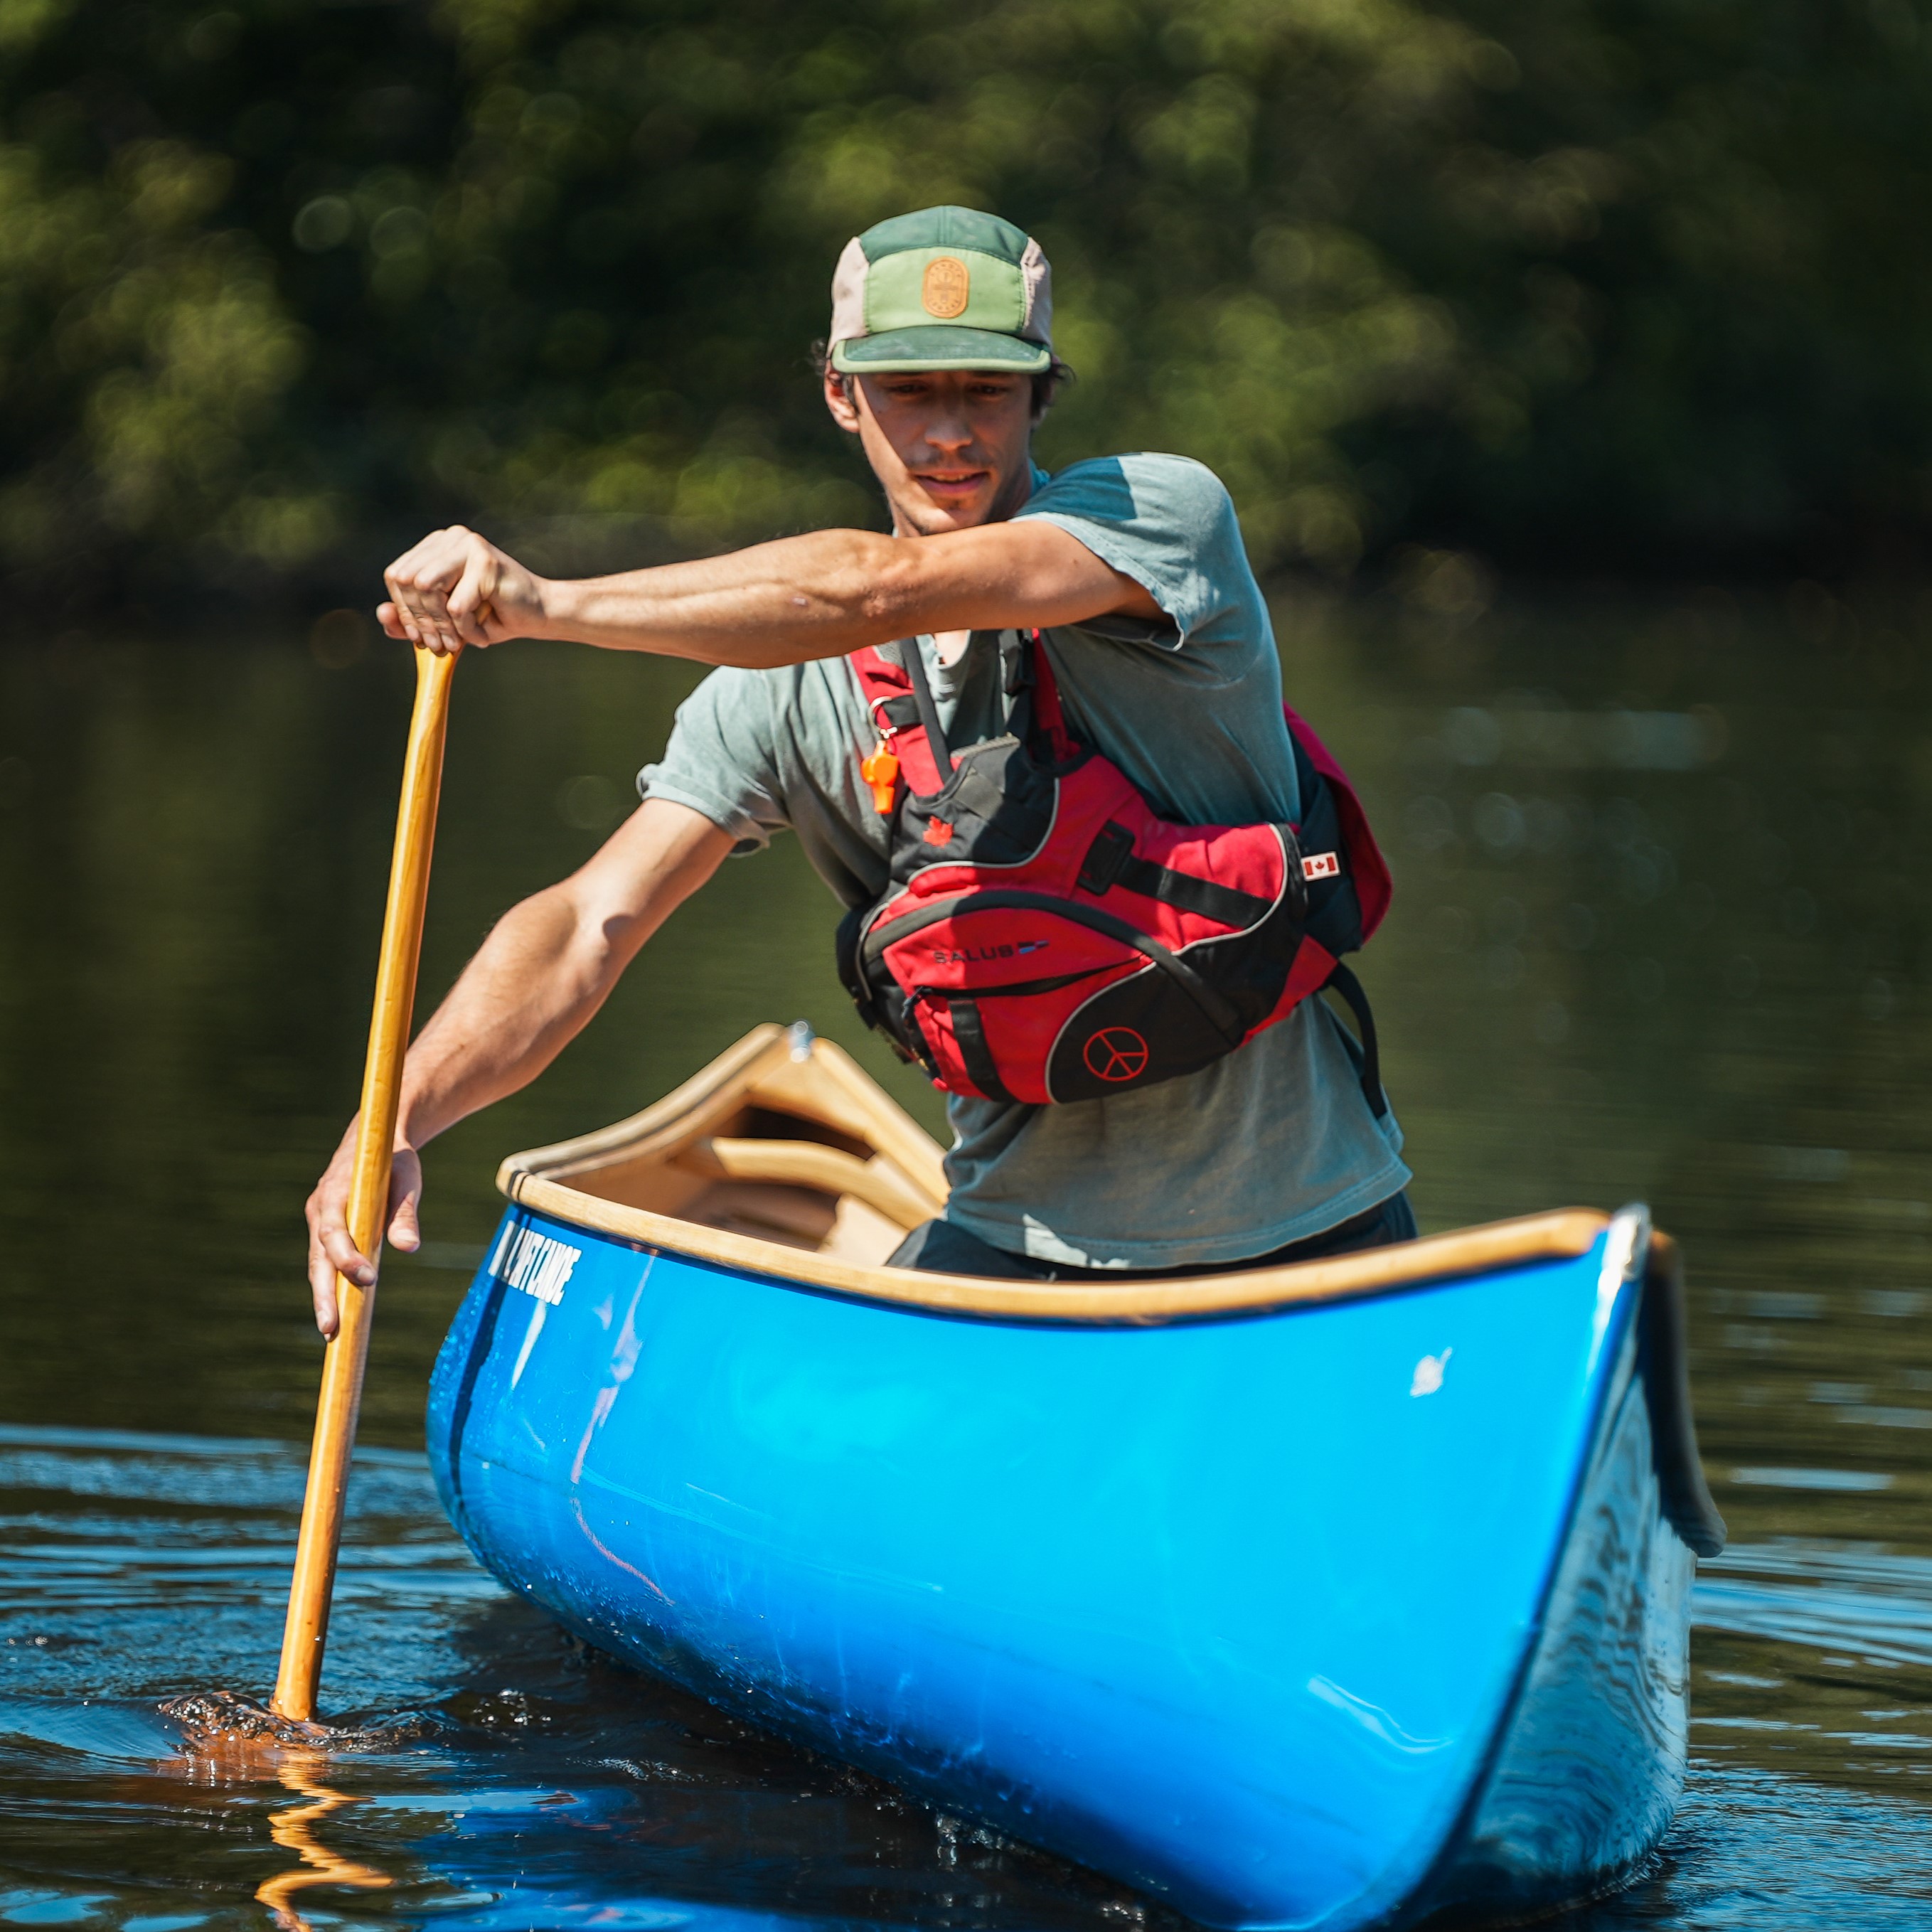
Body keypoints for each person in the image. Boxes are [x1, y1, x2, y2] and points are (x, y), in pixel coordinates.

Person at [305, 206, 1413, 1338]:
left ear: (1042, 394)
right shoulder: (779, 687)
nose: (949, 434)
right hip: (1020, 1250)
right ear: (840, 393)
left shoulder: (1157, 525)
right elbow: (591, 921)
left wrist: (549, 606)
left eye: (985, 390)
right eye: (908, 390)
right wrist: (395, 1115)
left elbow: (873, 590)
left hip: (1310, 1241)